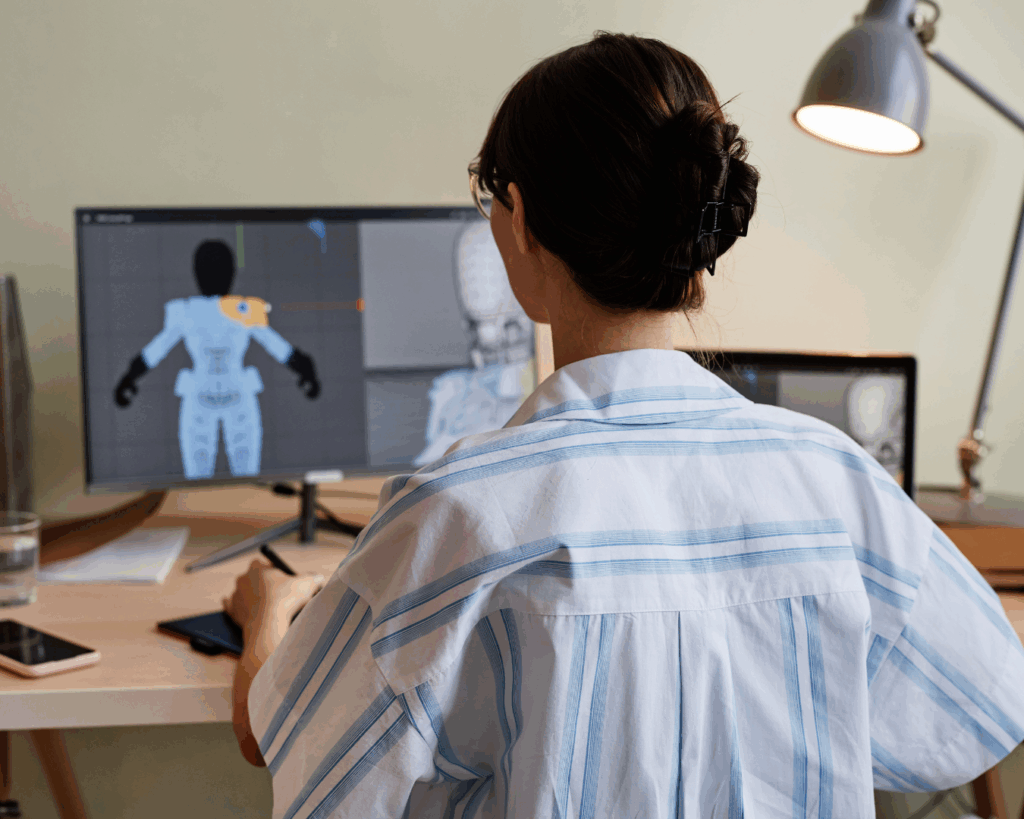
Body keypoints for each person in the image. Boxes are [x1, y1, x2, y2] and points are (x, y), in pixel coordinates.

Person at [224, 32, 1024, 818]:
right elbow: (985, 704)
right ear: (699, 237)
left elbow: (284, 738)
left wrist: (268, 608)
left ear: (521, 221)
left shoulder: (455, 512)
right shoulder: (834, 476)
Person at [113, 239, 321, 478]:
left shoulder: (194, 311)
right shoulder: (241, 310)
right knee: (231, 476)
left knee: (216, 476)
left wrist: (129, 378)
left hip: (211, 398)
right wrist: (305, 369)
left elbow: (156, 349)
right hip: (225, 397)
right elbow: (278, 346)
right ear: (231, 273)